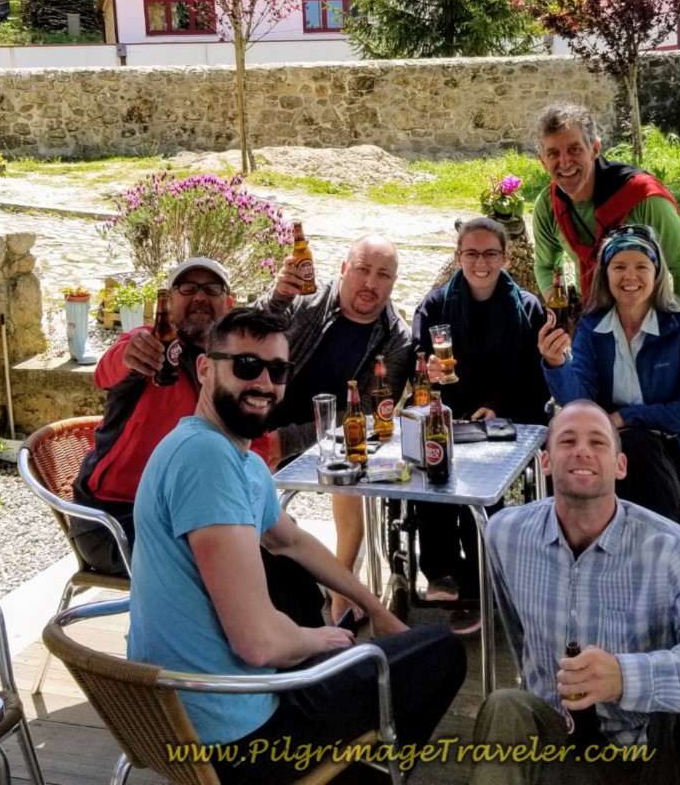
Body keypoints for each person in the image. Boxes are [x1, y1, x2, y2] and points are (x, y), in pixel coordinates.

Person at [128, 309, 466, 784]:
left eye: (278, 371)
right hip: (232, 733)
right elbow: (258, 643)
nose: (264, 383)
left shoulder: (234, 457)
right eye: (246, 366)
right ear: (205, 368)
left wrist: (375, 608)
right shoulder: (206, 458)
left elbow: (292, 540)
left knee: (295, 580)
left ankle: (351, 770)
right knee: (440, 652)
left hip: (198, 707)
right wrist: (321, 640)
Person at [471, 400, 680, 785]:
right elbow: (517, 633)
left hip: (651, 752)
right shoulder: (505, 534)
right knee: (506, 706)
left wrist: (628, 678)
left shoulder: (667, 547)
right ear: (544, 462)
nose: (582, 450)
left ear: (620, 465)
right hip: (561, 748)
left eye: (598, 442)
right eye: (567, 441)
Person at [70, 259, 326, 625]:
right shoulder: (149, 348)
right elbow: (109, 368)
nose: (200, 297)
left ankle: (304, 659)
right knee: (254, 567)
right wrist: (130, 355)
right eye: (187, 289)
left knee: (285, 559)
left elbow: (246, 454)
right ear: (169, 303)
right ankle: (274, 661)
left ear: (230, 302)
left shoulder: (232, 372)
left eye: (212, 289)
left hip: (189, 514)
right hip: (115, 523)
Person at [258, 234, 414, 618]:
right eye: (362, 270)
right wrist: (277, 298)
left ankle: (342, 587)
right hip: (262, 417)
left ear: (393, 283)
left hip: (332, 436)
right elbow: (250, 335)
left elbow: (374, 413)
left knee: (352, 467)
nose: (370, 284)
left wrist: (289, 440)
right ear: (344, 269)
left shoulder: (397, 340)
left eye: (383, 275)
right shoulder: (306, 301)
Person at [538, 224, 680, 526]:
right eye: (619, 267)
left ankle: (665, 560)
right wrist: (556, 363)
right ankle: (572, 553)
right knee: (564, 449)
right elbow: (581, 404)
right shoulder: (593, 327)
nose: (630, 276)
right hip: (619, 445)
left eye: (641, 266)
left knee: (635, 452)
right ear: (606, 275)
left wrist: (625, 418)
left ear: (657, 275)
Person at [412, 217, 551, 632]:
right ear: (457, 257)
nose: (480, 262)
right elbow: (418, 368)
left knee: (486, 484)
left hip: (508, 419)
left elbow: (537, 378)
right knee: (432, 463)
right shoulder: (435, 306)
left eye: (491, 253)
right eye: (470, 253)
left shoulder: (527, 309)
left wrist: (499, 407)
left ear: (506, 257)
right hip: (449, 417)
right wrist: (428, 369)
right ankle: (442, 571)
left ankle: (480, 582)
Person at [531, 103, 680, 310]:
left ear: (595, 149)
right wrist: (561, 311)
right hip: (590, 320)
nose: (565, 162)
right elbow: (546, 265)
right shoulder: (548, 205)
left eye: (574, 149)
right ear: (542, 161)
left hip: (647, 322)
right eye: (553, 154)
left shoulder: (643, 197)